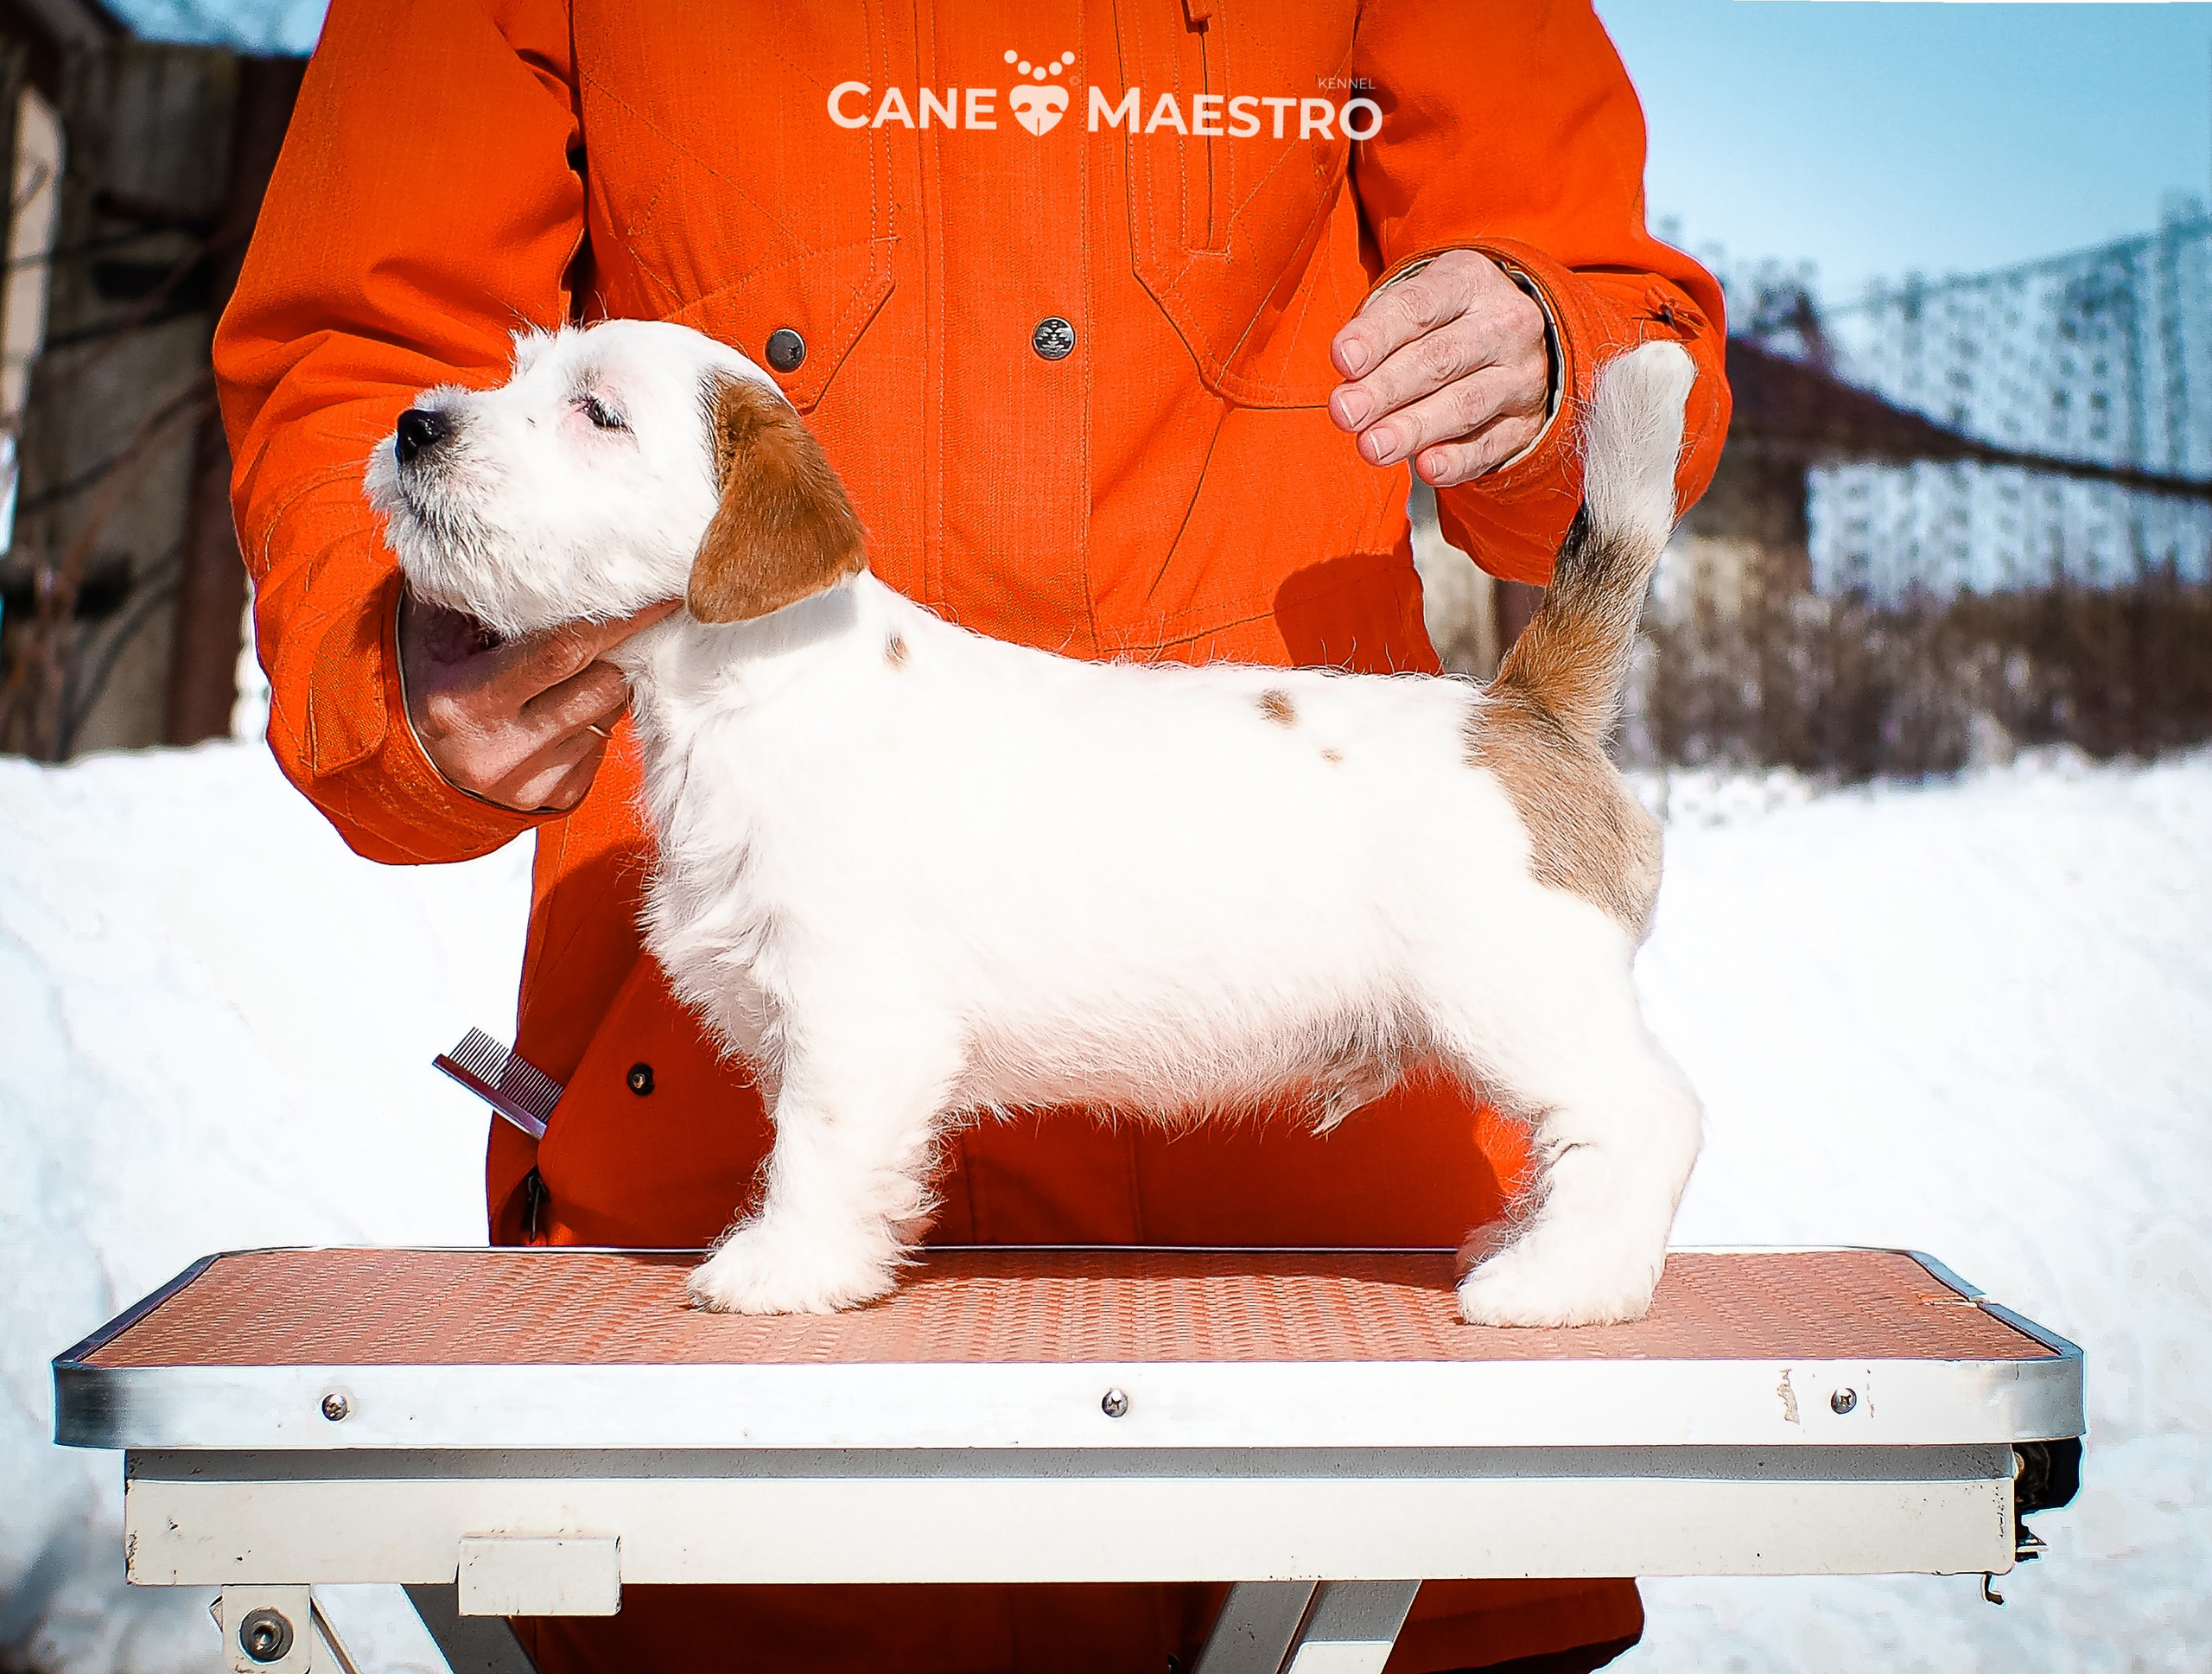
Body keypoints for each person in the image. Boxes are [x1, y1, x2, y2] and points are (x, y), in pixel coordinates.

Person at [214, 3, 1729, 1669]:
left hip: (1331, 1303)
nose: (492, 415)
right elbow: (351, 352)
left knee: (1525, 1021)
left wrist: (1552, 344)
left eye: (581, 405)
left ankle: (1620, 1152)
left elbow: (1602, 280)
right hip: (717, 1383)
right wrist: (388, 649)